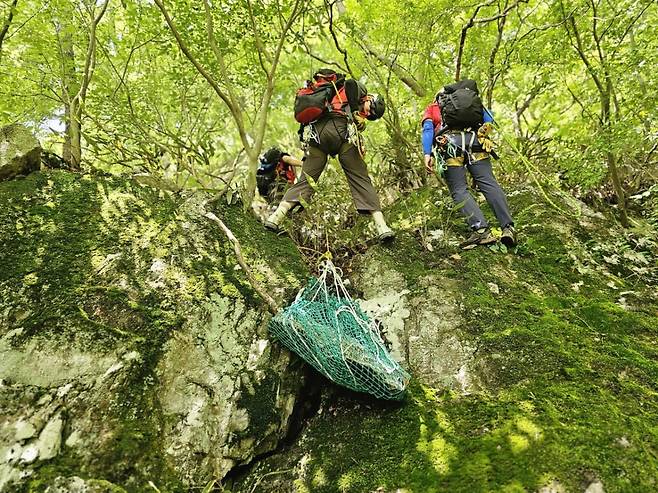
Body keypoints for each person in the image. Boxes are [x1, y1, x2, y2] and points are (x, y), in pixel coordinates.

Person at [264, 69, 394, 242]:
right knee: (360, 176)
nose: (367, 114)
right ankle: (381, 226)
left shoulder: (332, 95)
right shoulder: (358, 90)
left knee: (306, 180)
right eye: (371, 110)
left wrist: (356, 118)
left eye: (370, 116)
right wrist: (355, 113)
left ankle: (275, 218)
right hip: (339, 131)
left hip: (316, 137)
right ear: (371, 98)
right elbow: (351, 85)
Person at [422, 79, 516, 249]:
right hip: (476, 142)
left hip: (450, 145)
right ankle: (508, 228)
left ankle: (480, 230)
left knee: (459, 189)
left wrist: (427, 154)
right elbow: (490, 120)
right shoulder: (472, 103)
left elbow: (428, 129)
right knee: (488, 183)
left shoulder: (434, 106)